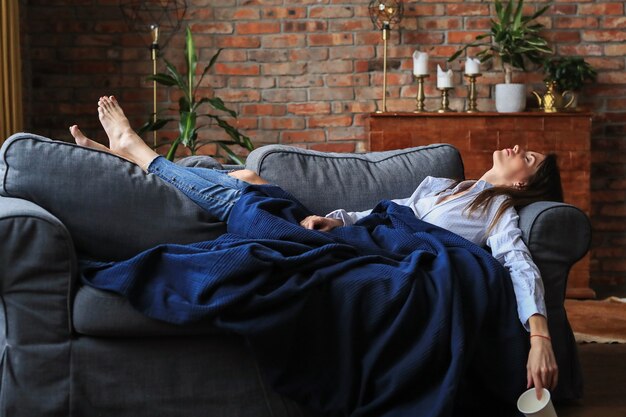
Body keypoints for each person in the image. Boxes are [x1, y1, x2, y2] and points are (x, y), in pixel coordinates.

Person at [71, 95, 560, 401]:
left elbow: (520, 267)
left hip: (382, 261)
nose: (518, 149)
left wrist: (540, 339)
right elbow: (385, 210)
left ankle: (138, 156)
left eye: (529, 157)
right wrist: (335, 218)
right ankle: (133, 158)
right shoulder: (440, 184)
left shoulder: (500, 216)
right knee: (247, 179)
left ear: (522, 187)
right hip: (352, 238)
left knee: (248, 192)